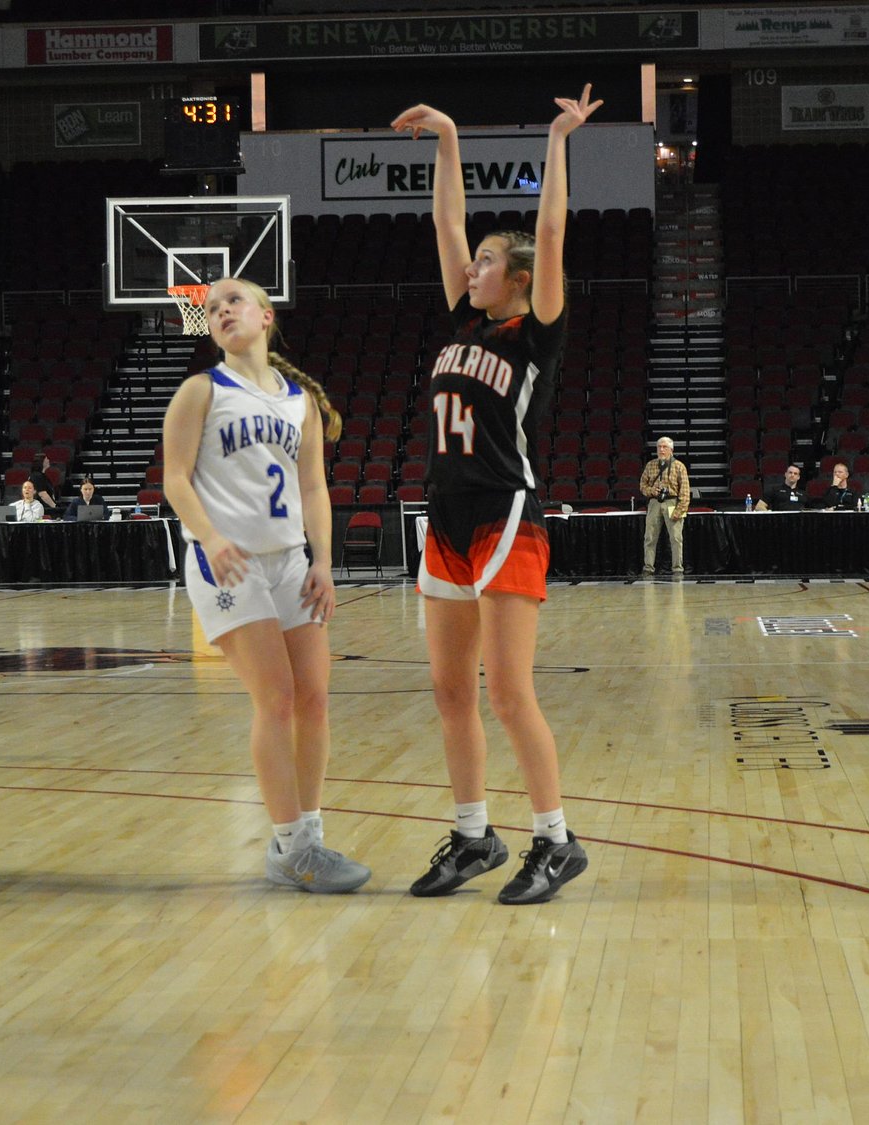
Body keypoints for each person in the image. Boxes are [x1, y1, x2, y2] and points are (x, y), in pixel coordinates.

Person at [389, 84, 600, 905]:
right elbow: (447, 223)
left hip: (507, 512)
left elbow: (549, 232)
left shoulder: (535, 331)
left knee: (509, 693)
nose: (470, 266)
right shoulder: (464, 323)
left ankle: (556, 840)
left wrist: (558, 139)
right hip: (445, 514)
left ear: (516, 280)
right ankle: (474, 834)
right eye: (472, 260)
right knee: (451, 691)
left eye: (485, 261)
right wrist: (447, 136)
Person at [162, 275, 370, 892]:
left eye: (234, 300)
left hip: (290, 562)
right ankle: (290, 848)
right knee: (276, 698)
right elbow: (175, 480)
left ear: (265, 316)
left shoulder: (299, 401)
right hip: (228, 562)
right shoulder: (201, 391)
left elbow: (313, 488)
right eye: (212, 307)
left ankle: (309, 837)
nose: (222, 310)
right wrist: (210, 537)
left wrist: (323, 561)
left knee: (314, 699)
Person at [639, 435, 688, 577]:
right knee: (649, 537)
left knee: (676, 538)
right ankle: (648, 567)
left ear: (671, 450)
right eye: (659, 447)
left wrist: (680, 510)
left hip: (673, 502)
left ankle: (677, 568)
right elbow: (642, 485)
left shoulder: (679, 466)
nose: (661, 450)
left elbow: (685, 492)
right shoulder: (650, 465)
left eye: (664, 447)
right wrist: (651, 491)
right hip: (654, 502)